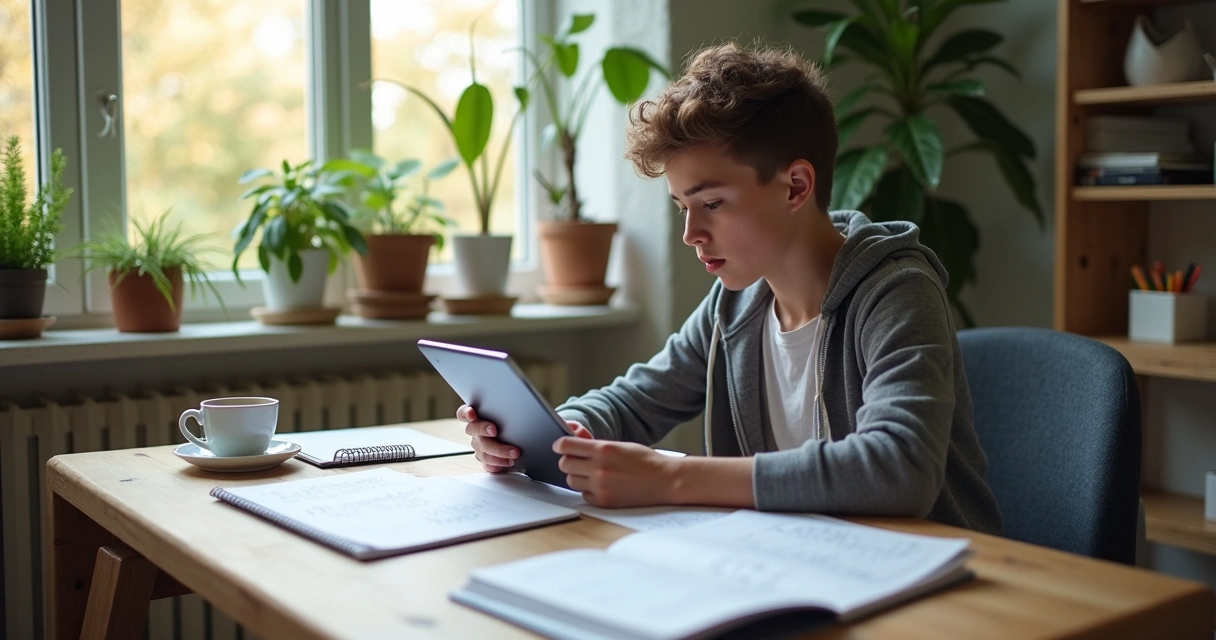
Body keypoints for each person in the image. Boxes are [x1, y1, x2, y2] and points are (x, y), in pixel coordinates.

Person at [458, 42, 1002, 534]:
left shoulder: (896, 292)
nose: (692, 234)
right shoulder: (738, 299)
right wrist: (554, 433)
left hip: (934, 580)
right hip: (801, 563)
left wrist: (673, 477)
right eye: (682, 208)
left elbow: (900, 467)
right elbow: (637, 399)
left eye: (712, 203)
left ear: (796, 186)